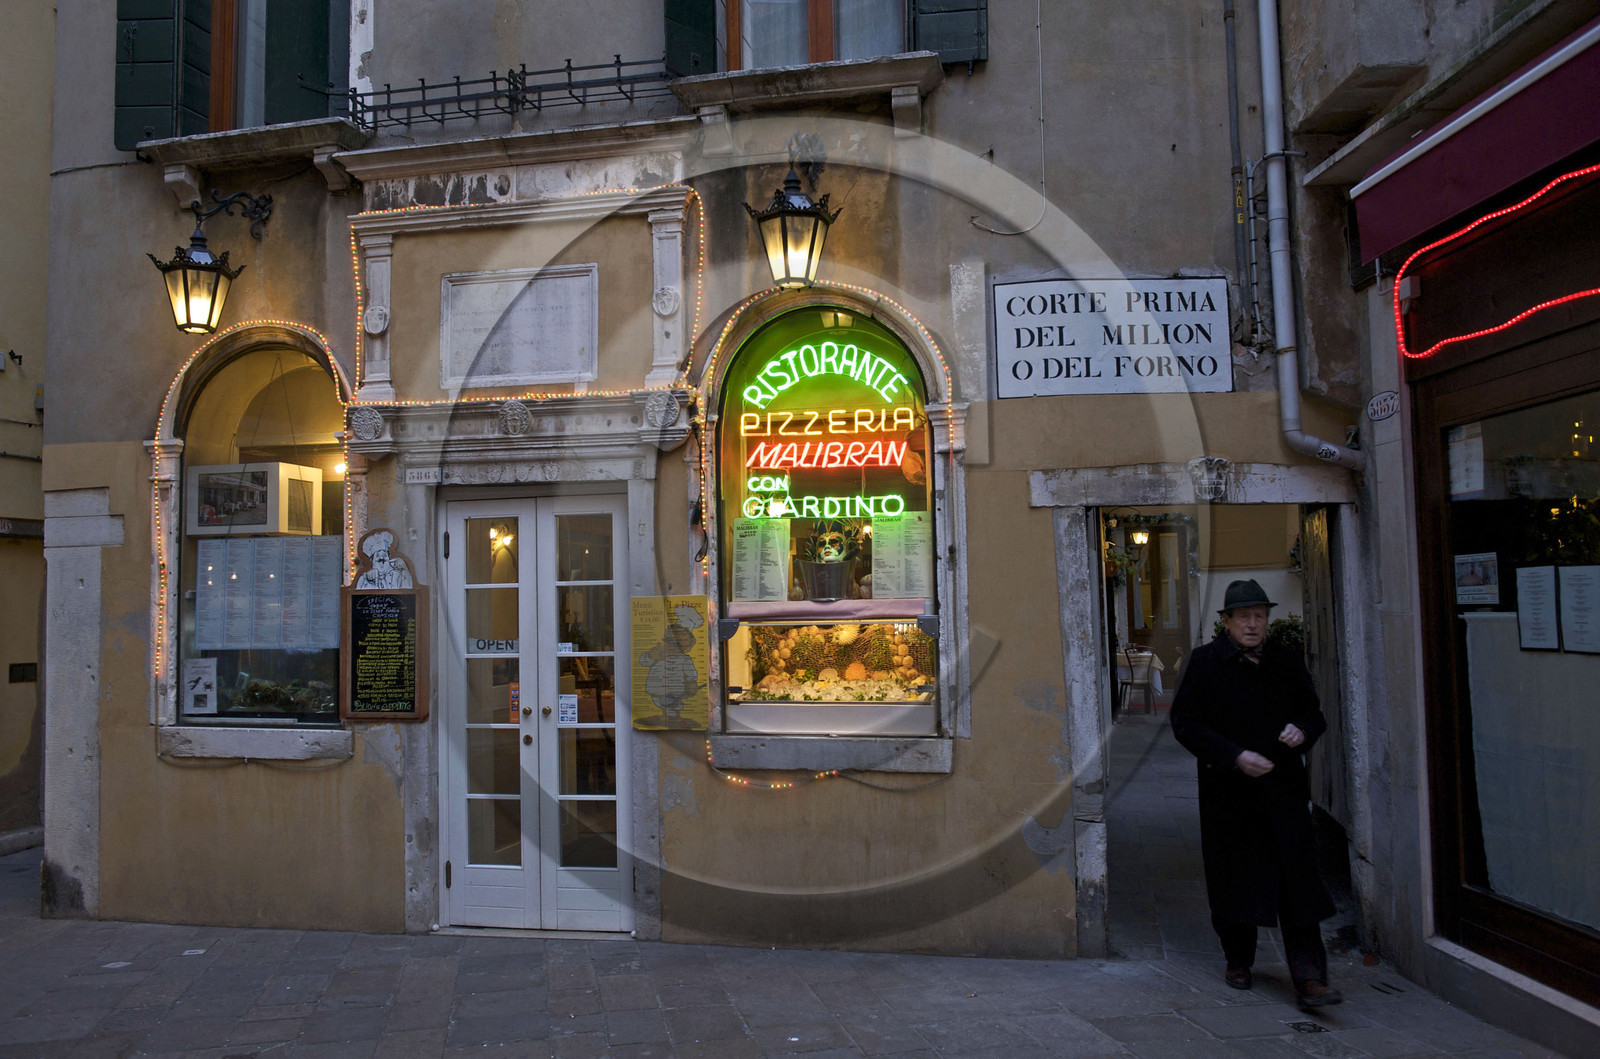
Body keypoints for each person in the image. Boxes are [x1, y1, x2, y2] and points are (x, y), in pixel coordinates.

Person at [1169, 578, 1343, 1009]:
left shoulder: (1285, 661)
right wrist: (1234, 756)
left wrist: (1301, 731)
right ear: (1226, 621)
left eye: (1260, 616)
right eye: (1244, 616)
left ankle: (1310, 977)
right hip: (1229, 794)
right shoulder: (1205, 663)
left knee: (1298, 881)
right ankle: (1238, 960)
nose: (1252, 624)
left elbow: (1313, 713)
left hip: (1283, 791)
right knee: (1234, 878)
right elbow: (1186, 724)